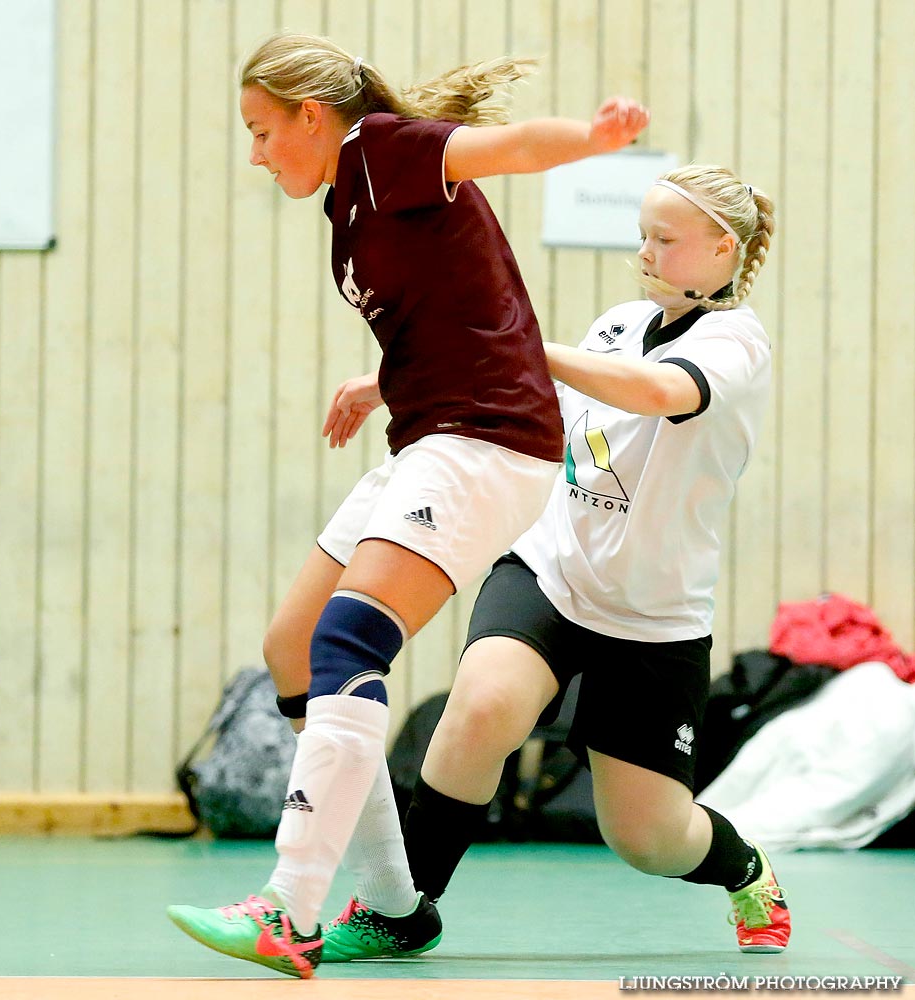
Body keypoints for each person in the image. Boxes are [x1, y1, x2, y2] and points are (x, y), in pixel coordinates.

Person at [165, 30, 649, 978]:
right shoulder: (349, 199)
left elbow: (501, 150)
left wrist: (591, 140)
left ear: (313, 116)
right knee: (295, 647)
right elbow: (461, 309)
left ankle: (289, 908)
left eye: (263, 132)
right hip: (435, 436)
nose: (256, 156)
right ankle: (393, 905)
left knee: (350, 642)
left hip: (489, 446)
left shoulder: (381, 150)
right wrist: (384, 381)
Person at [316, 164, 785, 965]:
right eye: (643, 233)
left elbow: (658, 392)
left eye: (666, 239)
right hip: (550, 571)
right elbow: (515, 389)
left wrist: (541, 342)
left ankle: (743, 866)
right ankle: (404, 907)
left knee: (647, 836)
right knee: (481, 709)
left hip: (653, 615)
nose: (646, 251)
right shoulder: (614, 325)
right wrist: (393, 382)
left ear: (722, 249)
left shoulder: (738, 343)